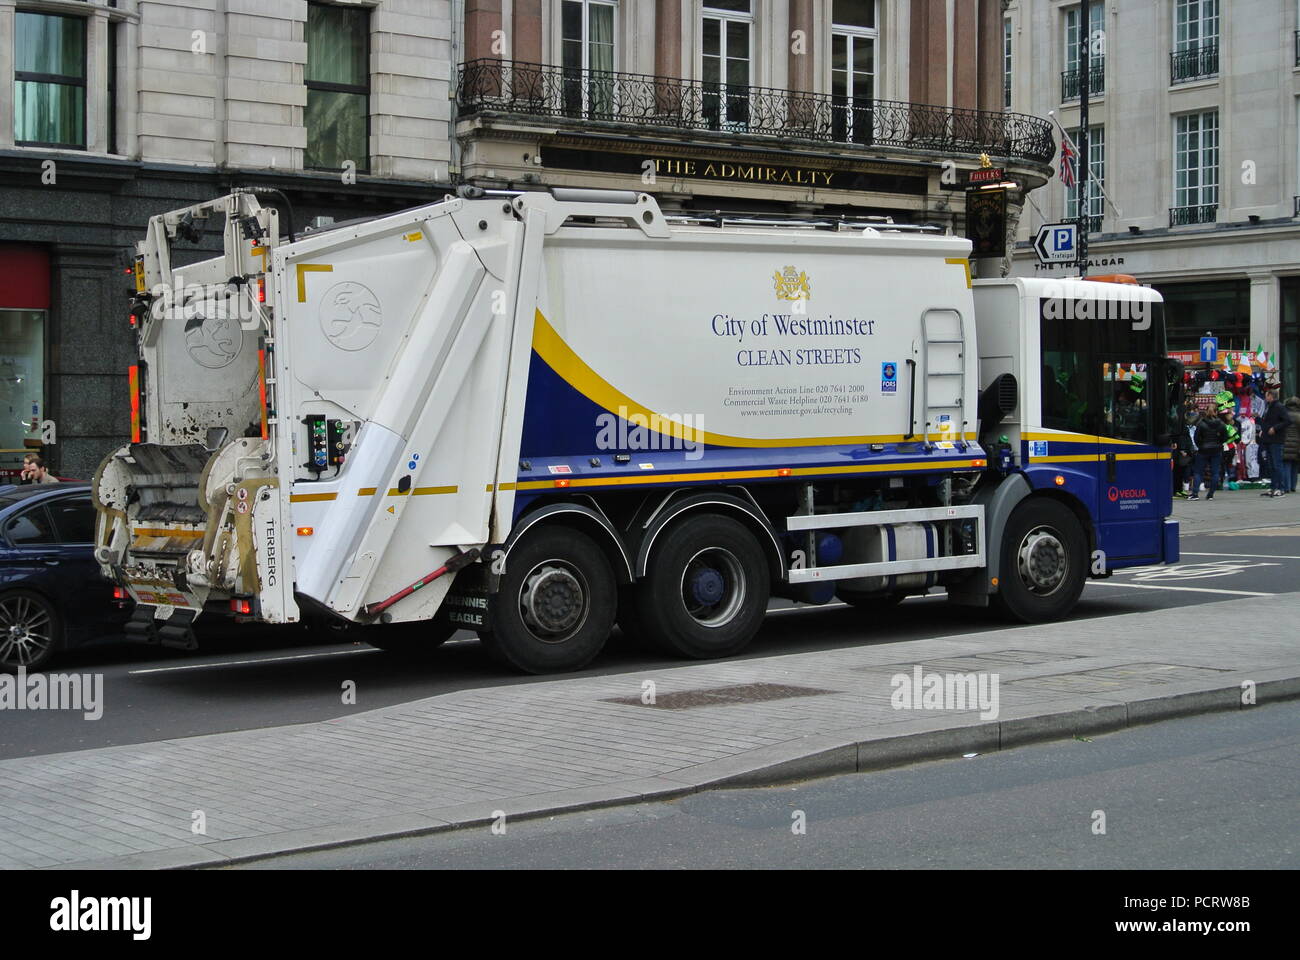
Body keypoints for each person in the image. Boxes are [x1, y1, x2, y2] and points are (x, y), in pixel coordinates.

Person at [1190, 409, 1227, 501]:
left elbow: (1196, 437)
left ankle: (1195, 494)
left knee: (1198, 472)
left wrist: (1201, 446)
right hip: (1217, 449)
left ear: (1207, 412)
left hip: (1203, 450)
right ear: (1216, 412)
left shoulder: (1201, 423)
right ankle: (1210, 494)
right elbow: (1225, 437)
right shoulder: (1221, 424)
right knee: (1215, 472)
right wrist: (1219, 443)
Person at [1259, 390, 1290, 498]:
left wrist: (1275, 428)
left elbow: (1287, 420)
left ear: (1271, 396)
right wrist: (1264, 430)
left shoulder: (1279, 407)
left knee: (1277, 465)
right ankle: (1273, 487)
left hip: (1276, 440)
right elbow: (1268, 421)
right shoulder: (1269, 406)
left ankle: (1281, 489)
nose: (1265, 397)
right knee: (1271, 465)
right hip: (1268, 439)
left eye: (1266, 395)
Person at [1284, 396, 1300, 494]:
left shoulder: (1284, 415)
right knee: (1295, 465)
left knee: (1286, 465)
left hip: (1286, 443)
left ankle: (1287, 486)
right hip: (1297, 444)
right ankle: (1293, 486)